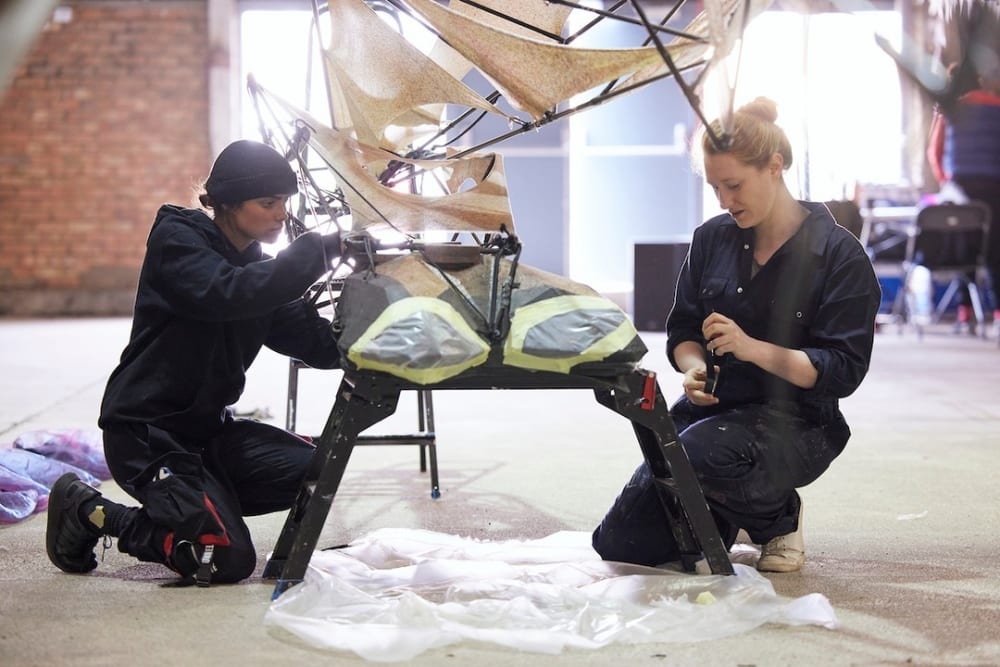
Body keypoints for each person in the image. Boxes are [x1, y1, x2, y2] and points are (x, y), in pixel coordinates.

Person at [592, 97, 882, 573]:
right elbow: (683, 330)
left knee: (696, 458)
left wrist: (753, 349)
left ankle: (778, 517)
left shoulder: (839, 255)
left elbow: (842, 370)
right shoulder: (711, 238)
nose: (725, 201)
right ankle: (726, 514)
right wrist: (695, 369)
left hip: (798, 421)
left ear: (774, 167)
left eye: (733, 185)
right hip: (713, 413)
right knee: (621, 543)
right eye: (715, 187)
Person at [45, 139, 343, 586]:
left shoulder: (256, 271)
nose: (282, 213)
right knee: (224, 560)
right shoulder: (178, 241)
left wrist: (381, 321)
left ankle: (195, 505)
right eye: (268, 202)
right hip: (148, 434)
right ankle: (91, 511)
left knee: (315, 470)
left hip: (208, 434)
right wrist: (315, 254)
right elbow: (223, 293)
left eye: (285, 201)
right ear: (226, 202)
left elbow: (317, 343)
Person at [926, 65, 1000, 332]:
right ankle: (998, 315)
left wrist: (948, 181)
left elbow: (934, 153)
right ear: (980, 80)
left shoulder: (949, 110)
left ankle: (964, 311)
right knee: (995, 252)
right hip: (995, 189)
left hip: (960, 190)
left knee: (963, 249)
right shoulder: (997, 106)